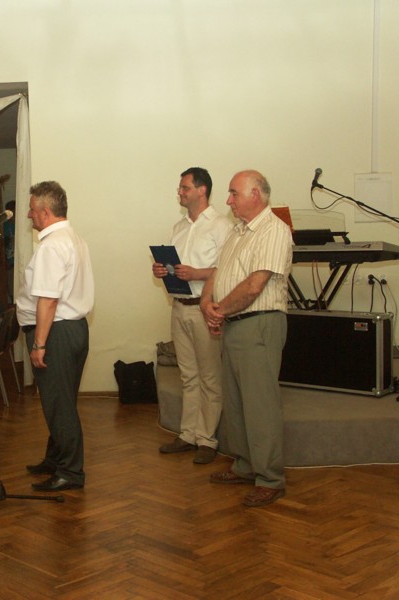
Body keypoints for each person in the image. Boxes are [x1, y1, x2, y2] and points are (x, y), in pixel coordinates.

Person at [201, 170, 293, 507]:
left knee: (260, 405)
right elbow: (218, 273)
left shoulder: (274, 230)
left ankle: (270, 478)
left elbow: (255, 285)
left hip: (259, 323)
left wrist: (220, 310)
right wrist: (208, 305)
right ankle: (244, 466)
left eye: (233, 193)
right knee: (237, 403)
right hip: (235, 323)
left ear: (255, 194)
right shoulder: (238, 231)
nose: (228, 200)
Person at [17, 181, 94, 492]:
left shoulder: (51, 245)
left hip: (55, 333)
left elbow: (48, 300)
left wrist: (39, 343)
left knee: (59, 406)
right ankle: (56, 458)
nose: (28, 215)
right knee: (62, 401)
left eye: (32, 210)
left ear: (45, 212)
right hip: (74, 329)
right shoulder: (74, 238)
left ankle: (70, 472)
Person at [153, 167, 231, 464]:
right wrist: (162, 270)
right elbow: (174, 267)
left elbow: (228, 269)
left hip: (204, 308)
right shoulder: (179, 227)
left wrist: (197, 273)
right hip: (179, 306)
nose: (180, 192)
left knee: (210, 377)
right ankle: (188, 435)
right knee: (188, 375)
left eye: (185, 187)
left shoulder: (221, 226)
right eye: (180, 188)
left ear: (202, 190)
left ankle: (207, 440)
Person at [3, 200, 16, 304]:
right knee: (11, 288)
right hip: (9, 262)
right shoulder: (4, 225)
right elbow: (3, 244)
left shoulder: (21, 224)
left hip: (20, 261)